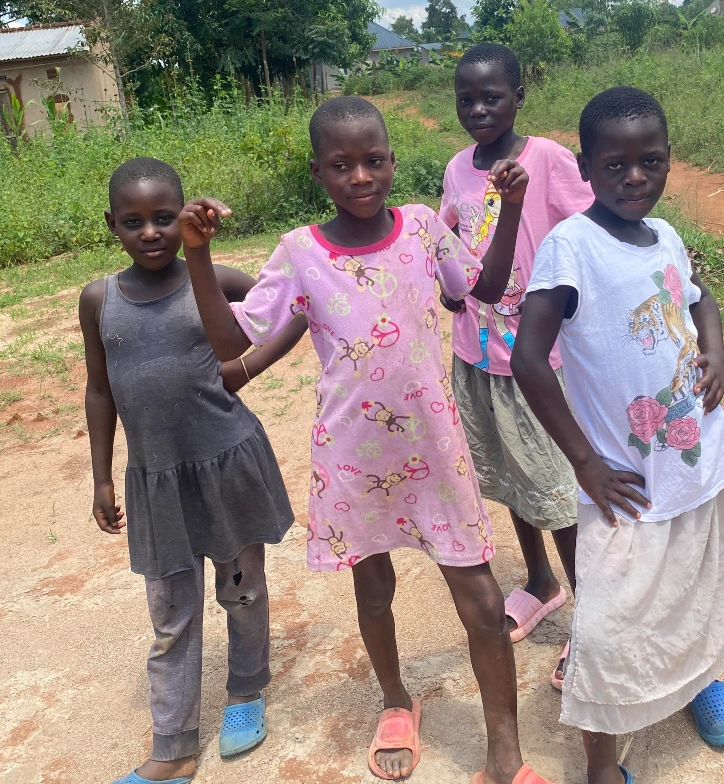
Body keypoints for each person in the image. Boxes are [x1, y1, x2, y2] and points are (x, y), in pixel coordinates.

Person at [179, 97, 553, 784]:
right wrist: (198, 258)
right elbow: (235, 339)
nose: (360, 177)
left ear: (391, 160)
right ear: (318, 171)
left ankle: (505, 750)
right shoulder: (298, 252)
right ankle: (395, 699)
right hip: (352, 458)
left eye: (373, 160)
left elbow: (487, 286)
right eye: (342, 165)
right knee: (373, 588)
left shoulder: (420, 228)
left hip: (435, 451)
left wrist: (516, 210)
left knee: (479, 597)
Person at [512, 87, 724, 784]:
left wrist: (716, 349)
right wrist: (584, 463)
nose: (635, 178)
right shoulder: (571, 248)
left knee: (700, 588)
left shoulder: (667, 236)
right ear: (586, 168)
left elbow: (698, 295)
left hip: (700, 462)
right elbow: (529, 356)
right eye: (615, 166)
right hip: (626, 479)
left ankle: (701, 683)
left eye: (649, 161)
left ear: (669, 161)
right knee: (609, 627)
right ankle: (599, 763)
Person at [80, 157, 308, 784]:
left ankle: (244, 693)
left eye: (163, 218)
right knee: (170, 612)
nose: (150, 232)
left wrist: (245, 370)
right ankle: (174, 745)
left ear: (183, 219)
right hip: (157, 481)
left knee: (241, 589)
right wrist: (101, 475)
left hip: (225, 463)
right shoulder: (99, 299)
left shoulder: (213, 278)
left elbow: (292, 307)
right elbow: (100, 390)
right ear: (112, 226)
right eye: (133, 221)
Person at [439, 42, 595, 688]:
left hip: (535, 361)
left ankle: (595, 624)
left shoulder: (548, 160)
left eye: (493, 97)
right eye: (467, 100)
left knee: (558, 495)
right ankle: (538, 581)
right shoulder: (456, 168)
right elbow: (449, 240)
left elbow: (593, 228)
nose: (479, 109)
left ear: (518, 97)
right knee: (507, 478)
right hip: (475, 356)